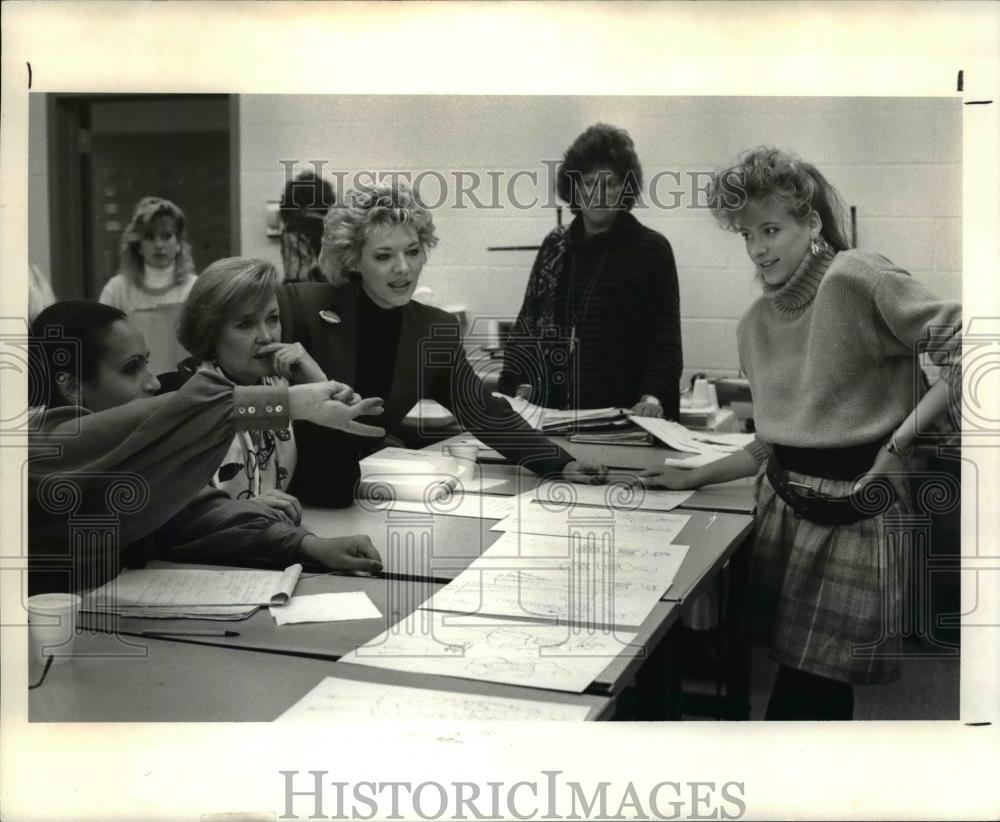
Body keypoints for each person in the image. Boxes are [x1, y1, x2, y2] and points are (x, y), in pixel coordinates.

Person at [638, 147, 962, 720]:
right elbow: (780, 441)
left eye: (771, 229)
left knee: (809, 694)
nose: (759, 249)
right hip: (787, 512)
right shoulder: (753, 325)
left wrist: (896, 448)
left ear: (810, 223)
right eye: (745, 235)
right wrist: (696, 474)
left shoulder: (856, 278)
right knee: (797, 681)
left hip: (858, 516)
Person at [277, 182, 608, 507]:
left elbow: (482, 410)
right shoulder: (299, 308)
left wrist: (559, 463)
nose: (404, 268)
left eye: (412, 251)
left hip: (355, 493)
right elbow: (235, 400)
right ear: (352, 260)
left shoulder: (433, 329)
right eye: (383, 256)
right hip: (278, 492)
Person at [28, 300, 386, 595]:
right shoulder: (41, 449)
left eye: (147, 363)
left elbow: (199, 514)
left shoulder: (131, 458)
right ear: (72, 386)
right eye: (130, 369)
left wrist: (308, 546)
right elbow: (164, 416)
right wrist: (285, 402)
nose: (153, 382)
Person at [498, 123, 683, 418]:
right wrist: (514, 387)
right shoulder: (554, 246)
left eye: (609, 183)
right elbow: (526, 329)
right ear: (574, 188)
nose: (599, 194)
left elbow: (664, 342)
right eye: (588, 183)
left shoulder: (652, 250)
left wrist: (654, 398)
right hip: (553, 419)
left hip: (623, 422)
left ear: (625, 187)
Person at [168, 256, 329, 521]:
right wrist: (243, 509)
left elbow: (334, 488)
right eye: (245, 324)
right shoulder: (181, 394)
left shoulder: (280, 386)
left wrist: (318, 382)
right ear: (211, 335)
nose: (266, 336)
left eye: (273, 319)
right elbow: (175, 514)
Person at [99, 196, 199, 375]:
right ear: (138, 246)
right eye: (150, 237)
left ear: (178, 244)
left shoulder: (195, 287)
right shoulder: (116, 289)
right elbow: (102, 346)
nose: (159, 245)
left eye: (166, 236)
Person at [279, 170, 336, 283]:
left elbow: (295, 275)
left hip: (305, 292)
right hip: (337, 292)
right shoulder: (336, 228)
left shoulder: (293, 230)